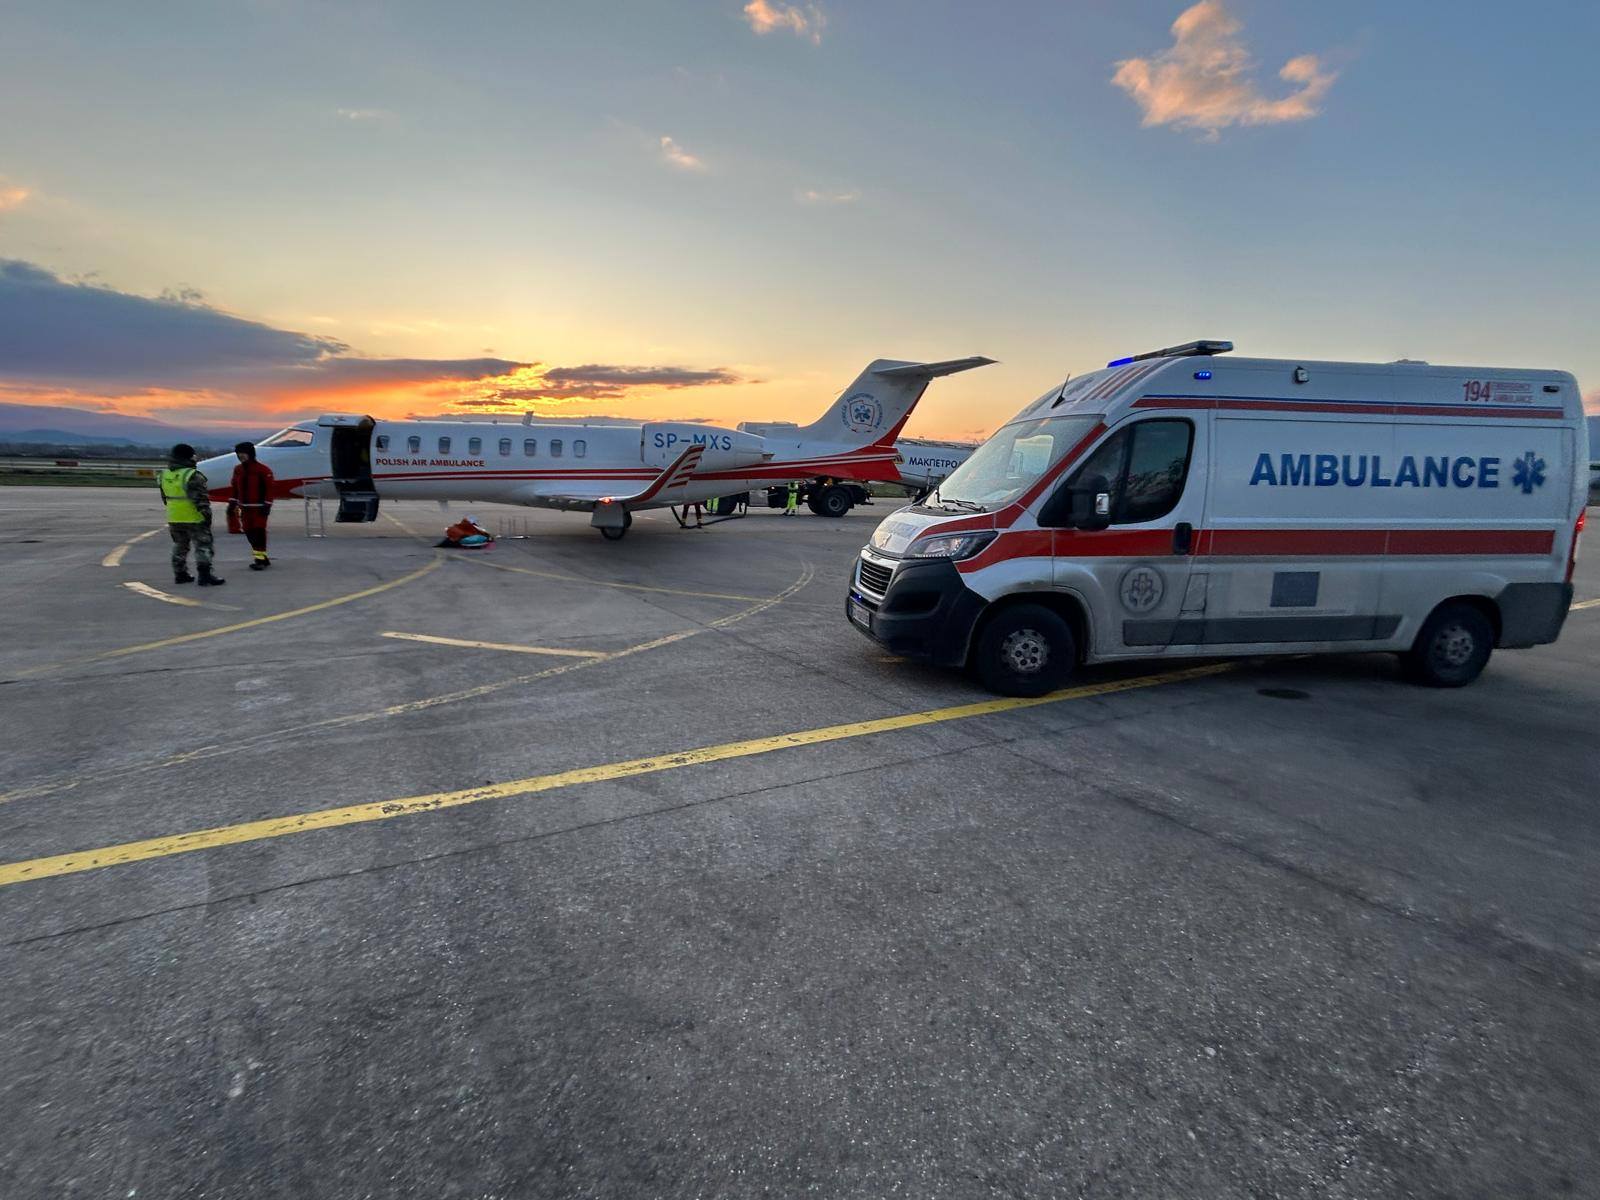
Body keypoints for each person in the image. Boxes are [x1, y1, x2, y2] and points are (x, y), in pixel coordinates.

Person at [158, 443, 224, 586]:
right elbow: (201, 499)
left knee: (179, 546)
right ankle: (205, 576)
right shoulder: (192, 475)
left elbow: (164, 498)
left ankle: (180, 574)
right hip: (194, 517)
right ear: (188, 457)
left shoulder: (164, 475)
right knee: (203, 546)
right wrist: (207, 516)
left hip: (174, 517)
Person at [228, 441, 275, 570]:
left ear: (250, 453)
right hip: (244, 508)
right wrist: (232, 503)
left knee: (258, 532)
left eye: (243, 453)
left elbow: (270, 489)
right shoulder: (238, 470)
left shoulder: (263, 470)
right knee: (249, 532)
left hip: (259, 508)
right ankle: (262, 557)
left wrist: (267, 505)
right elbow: (235, 488)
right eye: (238, 454)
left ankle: (260, 560)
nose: (240, 456)